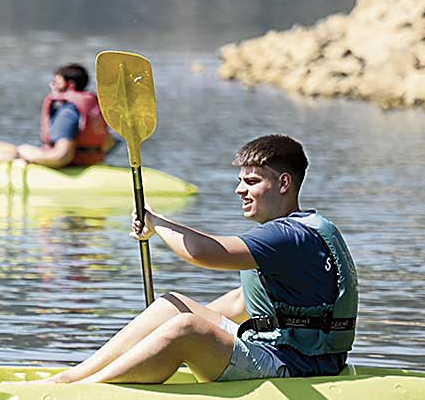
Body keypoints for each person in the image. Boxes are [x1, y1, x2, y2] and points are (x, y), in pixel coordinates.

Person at [53, 134, 356, 386]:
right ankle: (73, 377)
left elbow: (205, 253)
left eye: (251, 181)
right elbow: (242, 303)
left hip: (295, 366)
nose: (240, 189)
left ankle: (85, 391)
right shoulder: (305, 228)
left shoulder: (288, 236)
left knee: (187, 328)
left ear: (284, 183)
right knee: (173, 307)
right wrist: (164, 333)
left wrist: (157, 224)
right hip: (286, 351)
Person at [0, 64, 114, 170]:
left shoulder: (67, 112)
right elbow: (108, 143)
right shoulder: (92, 106)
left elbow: (62, 156)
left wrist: (28, 158)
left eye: (56, 82)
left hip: (69, 166)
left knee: (16, 150)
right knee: (16, 148)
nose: (52, 86)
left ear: (70, 84)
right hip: (91, 163)